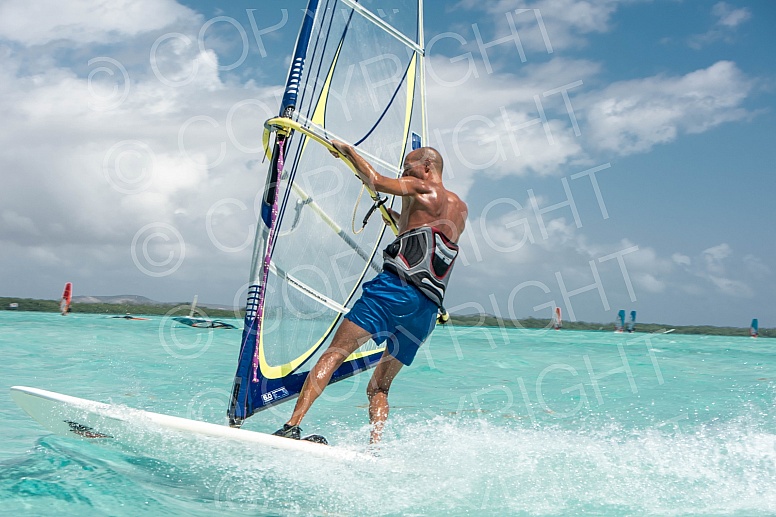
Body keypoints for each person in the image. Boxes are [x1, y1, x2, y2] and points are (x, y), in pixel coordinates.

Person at [273, 140, 468, 444]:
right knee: (379, 388)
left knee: (334, 354)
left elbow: (375, 180)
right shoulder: (460, 208)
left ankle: (291, 426)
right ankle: (375, 448)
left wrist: (347, 152)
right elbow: (428, 235)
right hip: (427, 309)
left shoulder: (419, 187)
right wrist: (400, 219)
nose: (404, 173)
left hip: (393, 291)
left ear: (427, 167)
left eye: (408, 168)